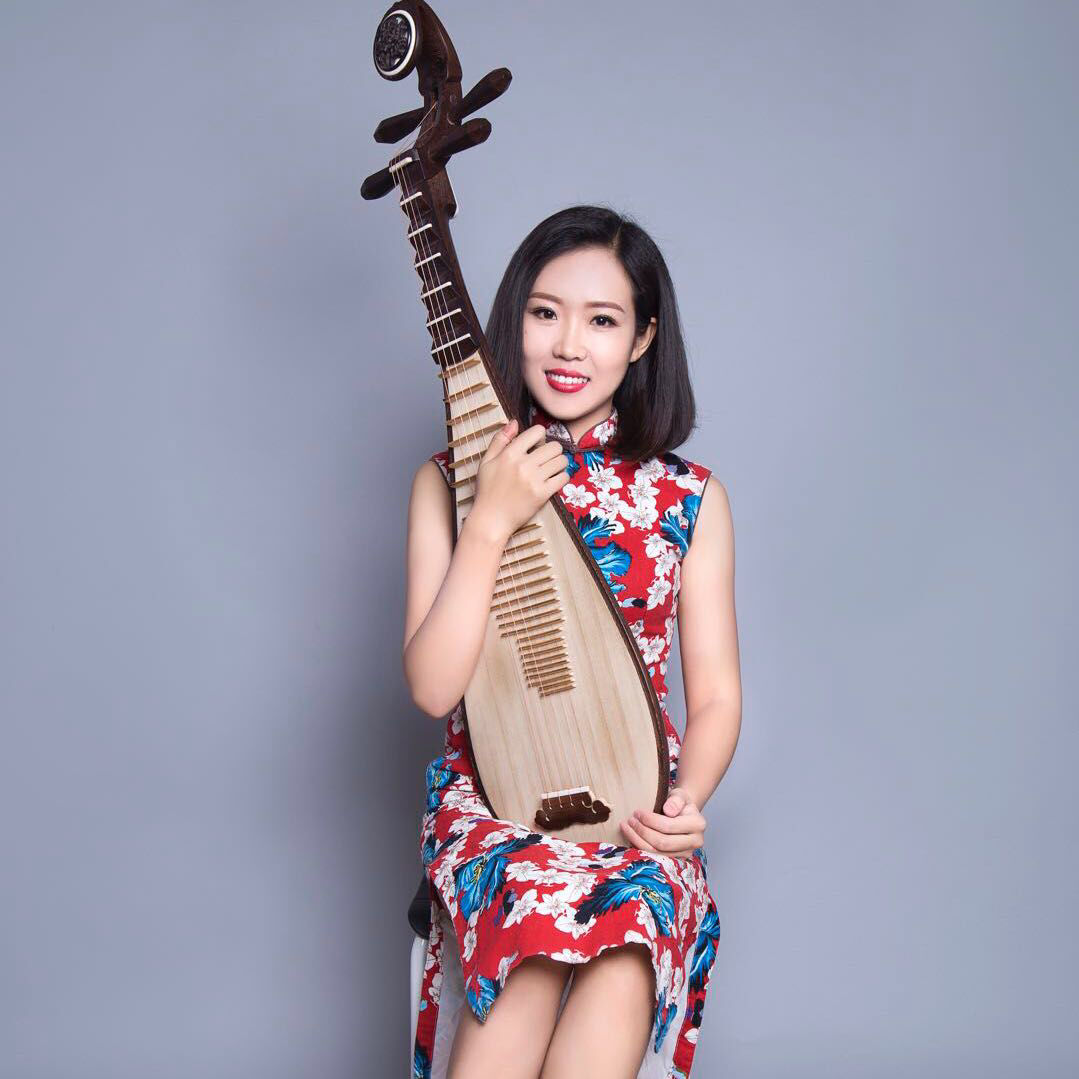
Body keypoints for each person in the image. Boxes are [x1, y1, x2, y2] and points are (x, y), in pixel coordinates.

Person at [403, 205, 741, 1078]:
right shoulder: (447, 482)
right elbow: (434, 688)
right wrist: (490, 521)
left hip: (634, 807)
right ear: (512, 315)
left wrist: (683, 801)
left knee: (630, 938)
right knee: (526, 925)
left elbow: (714, 696)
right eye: (544, 312)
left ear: (642, 339)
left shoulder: (690, 499)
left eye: (601, 320)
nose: (566, 345)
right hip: (495, 807)